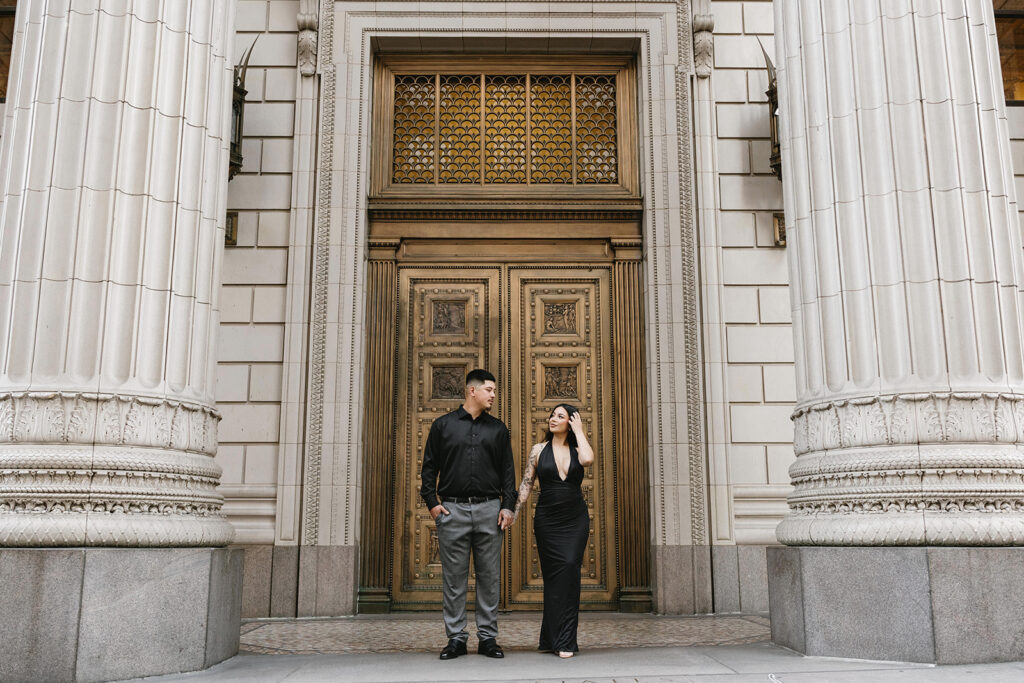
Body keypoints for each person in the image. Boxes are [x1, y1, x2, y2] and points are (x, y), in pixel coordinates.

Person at [420, 368, 517, 660]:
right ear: (472, 390)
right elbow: (429, 468)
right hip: (452, 510)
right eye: (489, 389)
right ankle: (456, 639)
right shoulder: (442, 426)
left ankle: (488, 639)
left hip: (490, 510)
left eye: (494, 390)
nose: (493, 395)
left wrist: (507, 505)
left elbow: (508, 473)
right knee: (454, 579)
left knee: (489, 578)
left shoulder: (498, 429)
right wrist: (432, 504)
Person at [513, 403, 595, 658]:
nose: (552, 419)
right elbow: (526, 484)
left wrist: (579, 431)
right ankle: (552, 638)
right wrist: (512, 512)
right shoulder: (538, 450)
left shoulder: (578, 448)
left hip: (575, 519)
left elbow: (588, 460)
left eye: (560, 416)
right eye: (552, 415)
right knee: (553, 580)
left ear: (570, 422)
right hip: (547, 521)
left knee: (570, 570)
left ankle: (566, 640)